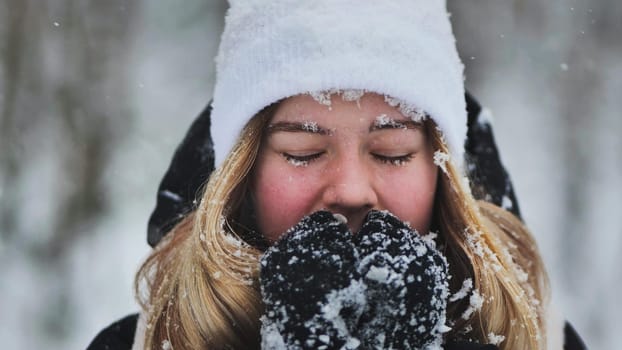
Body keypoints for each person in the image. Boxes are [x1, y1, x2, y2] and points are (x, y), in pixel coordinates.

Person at [88, 1, 588, 349]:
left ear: (442, 171)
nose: (350, 190)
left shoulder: (546, 344)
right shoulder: (140, 344)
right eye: (303, 152)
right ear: (242, 173)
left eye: (391, 153)